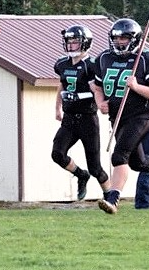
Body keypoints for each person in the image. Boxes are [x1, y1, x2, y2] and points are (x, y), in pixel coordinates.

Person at [92, 18, 149, 214]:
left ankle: (113, 200)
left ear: (135, 38)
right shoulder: (104, 57)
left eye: (124, 38)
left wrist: (137, 87)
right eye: (116, 38)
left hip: (140, 115)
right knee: (137, 162)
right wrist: (100, 103)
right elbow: (96, 86)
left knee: (119, 155)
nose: (119, 42)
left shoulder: (148, 57)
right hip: (117, 115)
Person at [52, 25, 110, 201]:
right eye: (69, 42)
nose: (71, 46)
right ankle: (80, 175)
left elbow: (96, 87)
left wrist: (101, 103)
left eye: (75, 42)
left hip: (87, 119)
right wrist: (57, 107)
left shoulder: (90, 65)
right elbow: (62, 85)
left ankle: (110, 196)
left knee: (95, 167)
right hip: (69, 118)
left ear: (85, 43)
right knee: (57, 154)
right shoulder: (62, 64)